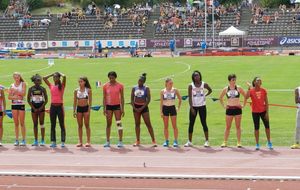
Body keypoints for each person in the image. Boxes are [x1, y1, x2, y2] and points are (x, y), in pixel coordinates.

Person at [185, 71, 212, 147]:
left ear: (200, 76)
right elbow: (190, 97)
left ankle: (207, 141)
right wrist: (191, 108)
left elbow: (210, 90)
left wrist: (205, 95)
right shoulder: (191, 86)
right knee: (191, 124)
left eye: (198, 75)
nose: (197, 77)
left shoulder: (204, 84)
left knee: (204, 123)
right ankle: (189, 141)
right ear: (193, 77)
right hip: (194, 107)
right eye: (195, 76)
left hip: (202, 106)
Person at [219, 74, 246, 148]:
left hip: (237, 109)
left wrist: (243, 105)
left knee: (238, 126)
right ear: (229, 80)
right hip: (229, 109)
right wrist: (224, 106)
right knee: (228, 127)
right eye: (233, 80)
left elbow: (245, 96)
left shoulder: (239, 88)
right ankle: (224, 142)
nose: (234, 81)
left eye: (235, 80)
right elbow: (220, 98)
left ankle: (239, 142)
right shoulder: (226, 89)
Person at [246, 77, 273, 150]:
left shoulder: (263, 90)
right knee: (256, 128)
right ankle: (257, 144)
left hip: (263, 111)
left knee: (267, 127)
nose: (259, 81)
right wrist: (248, 88)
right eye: (257, 80)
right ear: (254, 82)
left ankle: (269, 142)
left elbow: (266, 102)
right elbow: (246, 97)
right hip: (255, 112)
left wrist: (267, 113)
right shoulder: (251, 91)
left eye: (260, 80)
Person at [131, 73, 157, 147]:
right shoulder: (134, 88)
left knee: (148, 123)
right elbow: (132, 99)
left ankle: (153, 140)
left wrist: (142, 108)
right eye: (139, 80)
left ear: (144, 82)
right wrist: (135, 108)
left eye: (141, 81)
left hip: (144, 107)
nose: (140, 82)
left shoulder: (146, 88)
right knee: (137, 124)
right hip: (136, 107)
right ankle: (138, 141)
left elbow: (148, 99)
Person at [43, 72, 66, 148]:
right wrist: (51, 74)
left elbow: (64, 76)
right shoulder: (51, 86)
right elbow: (44, 78)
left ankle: (62, 142)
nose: (54, 78)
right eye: (54, 77)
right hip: (52, 107)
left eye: (56, 77)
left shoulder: (62, 86)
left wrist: (59, 73)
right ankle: (53, 141)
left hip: (60, 107)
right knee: (53, 125)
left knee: (61, 124)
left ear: (59, 78)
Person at [103, 71, 125, 148]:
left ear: (115, 77)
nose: (111, 79)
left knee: (119, 123)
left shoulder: (120, 86)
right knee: (108, 124)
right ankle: (107, 141)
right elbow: (104, 97)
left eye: (112, 78)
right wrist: (104, 108)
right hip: (108, 106)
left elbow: (122, 97)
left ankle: (120, 141)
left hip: (117, 106)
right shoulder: (105, 86)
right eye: (110, 78)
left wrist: (122, 108)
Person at [27, 74, 48, 146]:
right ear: (34, 81)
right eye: (37, 80)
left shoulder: (43, 89)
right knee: (35, 124)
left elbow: (46, 100)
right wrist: (34, 108)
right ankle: (36, 140)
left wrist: (41, 107)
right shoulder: (31, 89)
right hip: (34, 108)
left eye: (40, 80)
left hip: (41, 108)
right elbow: (28, 100)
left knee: (42, 123)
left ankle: (42, 140)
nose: (39, 82)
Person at [160, 78, 182, 147]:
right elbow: (161, 102)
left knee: (174, 126)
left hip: (172, 108)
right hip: (165, 108)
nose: (171, 84)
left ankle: (175, 141)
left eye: (172, 83)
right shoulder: (162, 91)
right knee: (166, 126)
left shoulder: (175, 90)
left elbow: (180, 99)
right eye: (170, 83)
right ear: (166, 83)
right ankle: (166, 141)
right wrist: (161, 112)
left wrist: (178, 107)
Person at [8, 72, 27, 146]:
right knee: (16, 123)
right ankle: (16, 140)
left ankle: (23, 140)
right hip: (14, 105)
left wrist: (16, 91)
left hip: (21, 104)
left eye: (18, 77)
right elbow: (9, 97)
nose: (16, 78)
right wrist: (16, 97)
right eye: (15, 77)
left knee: (22, 123)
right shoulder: (11, 85)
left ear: (20, 77)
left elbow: (24, 94)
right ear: (13, 78)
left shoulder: (23, 84)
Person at [73, 76, 92, 147]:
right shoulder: (76, 90)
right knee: (80, 125)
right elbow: (75, 101)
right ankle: (80, 141)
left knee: (87, 125)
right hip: (79, 109)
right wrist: (74, 111)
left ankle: (88, 141)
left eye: (81, 81)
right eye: (79, 82)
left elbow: (90, 101)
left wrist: (89, 110)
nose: (80, 83)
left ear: (85, 82)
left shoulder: (88, 90)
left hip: (86, 108)